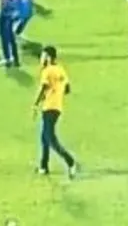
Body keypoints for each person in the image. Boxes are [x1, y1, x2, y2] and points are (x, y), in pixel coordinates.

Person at [34, 45, 79, 177]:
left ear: (48, 57)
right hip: (57, 106)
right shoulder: (61, 69)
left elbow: (43, 87)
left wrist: (35, 104)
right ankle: (43, 166)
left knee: (50, 138)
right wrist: (57, 91)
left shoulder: (47, 71)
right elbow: (68, 89)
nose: (41, 59)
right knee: (44, 137)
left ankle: (70, 161)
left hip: (49, 106)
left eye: (43, 56)